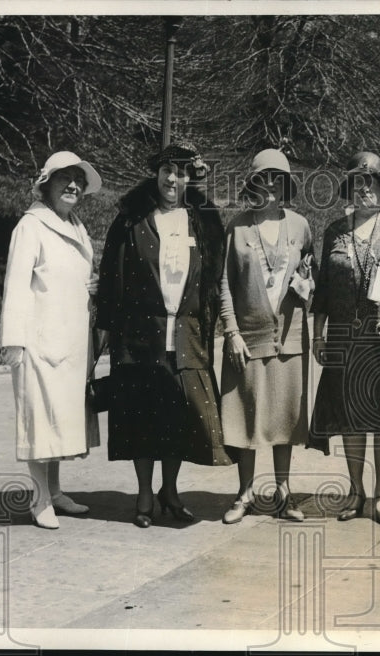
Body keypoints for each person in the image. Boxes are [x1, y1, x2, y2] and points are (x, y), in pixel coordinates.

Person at [95, 142, 231, 529]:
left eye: (182, 171)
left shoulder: (203, 221)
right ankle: (143, 493)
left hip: (187, 335)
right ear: (156, 173)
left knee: (179, 417)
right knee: (142, 417)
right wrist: (105, 329)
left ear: (191, 177)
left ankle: (170, 491)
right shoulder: (132, 218)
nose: (174, 178)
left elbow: (213, 278)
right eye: (168, 170)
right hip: (140, 337)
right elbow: (111, 275)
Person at [309, 151, 380, 525]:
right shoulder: (334, 232)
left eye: (372, 183)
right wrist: (317, 335)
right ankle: (356, 491)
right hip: (344, 337)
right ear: (349, 189)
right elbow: (323, 291)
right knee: (351, 417)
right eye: (358, 184)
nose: (365, 190)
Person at [1, 150, 103, 529]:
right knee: (40, 421)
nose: (73, 185)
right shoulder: (31, 226)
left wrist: (91, 286)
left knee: (60, 418)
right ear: (46, 185)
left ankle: (56, 491)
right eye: (65, 178)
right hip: (39, 342)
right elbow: (15, 287)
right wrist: (14, 342)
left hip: (72, 343)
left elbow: (70, 278)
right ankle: (39, 498)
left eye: (78, 179)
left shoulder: (76, 226)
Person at [220, 149, 314, 524]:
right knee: (246, 416)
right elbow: (224, 285)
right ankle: (244, 493)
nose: (271, 186)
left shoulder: (301, 226)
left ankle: (284, 492)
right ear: (253, 183)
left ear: (286, 184)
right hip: (249, 337)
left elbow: (311, 273)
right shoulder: (238, 227)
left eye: (278, 179)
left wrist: (308, 281)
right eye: (264, 178)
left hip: (289, 338)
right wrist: (231, 331)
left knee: (285, 419)